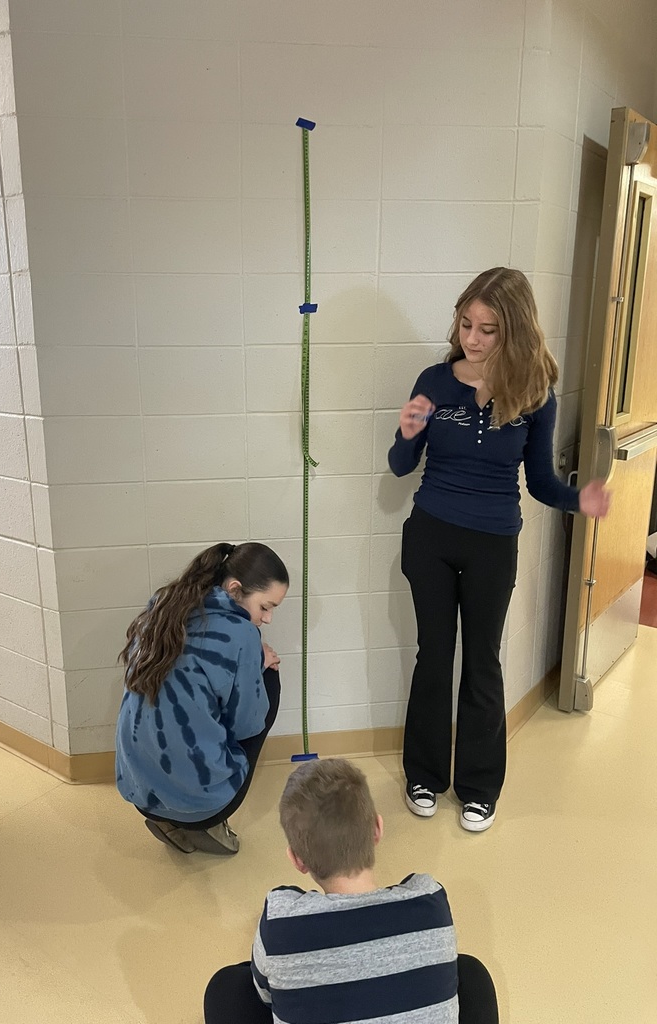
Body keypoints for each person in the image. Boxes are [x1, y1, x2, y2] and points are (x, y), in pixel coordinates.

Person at [388, 267, 611, 833]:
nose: (473, 338)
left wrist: (576, 500)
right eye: (466, 324)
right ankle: (423, 774)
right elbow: (399, 467)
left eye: (488, 329)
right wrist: (408, 431)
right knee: (434, 655)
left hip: (493, 542)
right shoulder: (435, 382)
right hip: (431, 535)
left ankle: (480, 788)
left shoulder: (535, 394)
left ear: (513, 330)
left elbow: (538, 481)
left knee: (483, 661)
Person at [204, 758, 499, 1024]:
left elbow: (264, 995)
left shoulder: (280, 919)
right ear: (377, 829)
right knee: (470, 973)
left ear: (297, 859)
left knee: (227, 988)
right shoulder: (429, 899)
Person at [115, 541, 288, 856]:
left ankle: (167, 817)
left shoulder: (165, 602)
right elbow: (247, 725)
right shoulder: (242, 635)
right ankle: (206, 821)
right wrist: (256, 664)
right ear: (235, 589)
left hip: (138, 792)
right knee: (270, 679)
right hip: (203, 806)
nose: (267, 619)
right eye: (266, 607)